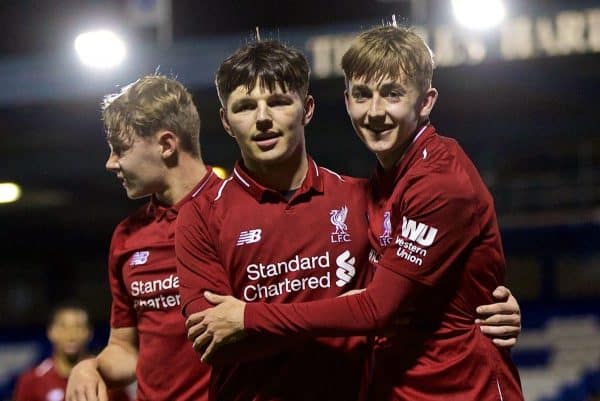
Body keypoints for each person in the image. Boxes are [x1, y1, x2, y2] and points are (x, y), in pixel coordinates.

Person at [177, 39, 523, 401]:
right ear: (225, 121)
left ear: (307, 109)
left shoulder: (359, 196)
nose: (263, 118)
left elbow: (380, 306)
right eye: (246, 107)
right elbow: (215, 339)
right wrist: (353, 320)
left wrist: (249, 318)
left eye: (278, 102)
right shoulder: (201, 214)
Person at [65, 75, 221, 401]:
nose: (110, 163)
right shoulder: (127, 237)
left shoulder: (241, 214)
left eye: (120, 149)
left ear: (166, 145)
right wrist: (89, 367)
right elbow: (125, 348)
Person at [13, 302, 131, 401]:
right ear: (51, 332)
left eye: (78, 327)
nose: (71, 334)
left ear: (89, 332)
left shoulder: (107, 378)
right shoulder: (32, 381)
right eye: (63, 327)